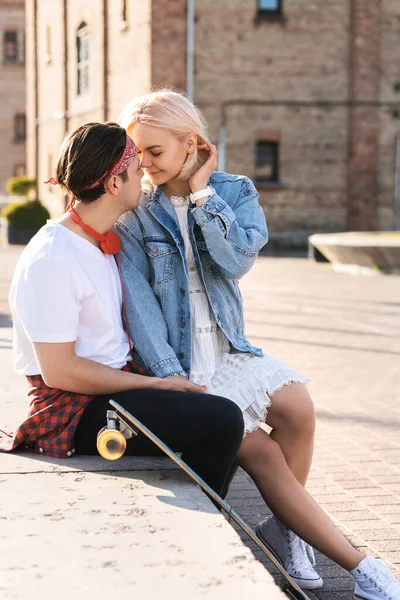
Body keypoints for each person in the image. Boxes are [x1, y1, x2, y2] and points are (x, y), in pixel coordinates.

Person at [116, 90, 400, 598]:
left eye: (154, 151)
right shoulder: (136, 211)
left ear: (191, 144)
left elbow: (236, 262)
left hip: (228, 348)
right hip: (180, 364)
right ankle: (362, 568)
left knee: (299, 407)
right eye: (137, 153)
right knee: (266, 456)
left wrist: (203, 197)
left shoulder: (234, 191)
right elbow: (140, 307)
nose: (144, 164)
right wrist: (168, 378)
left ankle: (287, 530)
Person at [0, 121, 246, 501]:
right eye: (136, 171)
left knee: (224, 411)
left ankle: (199, 505)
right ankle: (196, 521)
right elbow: (60, 370)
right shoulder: (52, 257)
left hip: (111, 388)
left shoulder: (98, 241)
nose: (145, 177)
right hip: (74, 407)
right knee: (222, 420)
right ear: (114, 184)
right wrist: (158, 385)